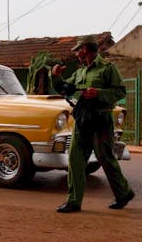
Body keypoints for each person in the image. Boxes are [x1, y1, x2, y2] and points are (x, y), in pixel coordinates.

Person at [51, 35, 134, 213]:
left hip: (101, 120)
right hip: (83, 120)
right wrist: (56, 77)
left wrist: (99, 93)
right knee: (75, 159)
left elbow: (120, 91)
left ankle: (124, 193)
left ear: (85, 50)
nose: (77, 55)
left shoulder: (107, 68)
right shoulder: (80, 72)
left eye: (78, 51)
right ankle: (74, 201)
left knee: (106, 159)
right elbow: (66, 89)